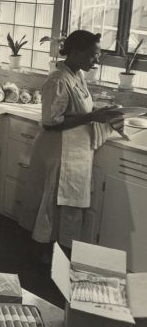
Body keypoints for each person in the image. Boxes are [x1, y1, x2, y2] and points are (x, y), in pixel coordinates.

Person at [19, 30, 124, 253]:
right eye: (92, 55)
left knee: (67, 206)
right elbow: (50, 122)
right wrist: (93, 117)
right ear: (75, 52)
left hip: (74, 151)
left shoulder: (77, 75)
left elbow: (77, 108)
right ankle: (45, 259)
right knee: (54, 205)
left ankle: (60, 256)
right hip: (58, 151)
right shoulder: (57, 80)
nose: (96, 60)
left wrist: (100, 111)